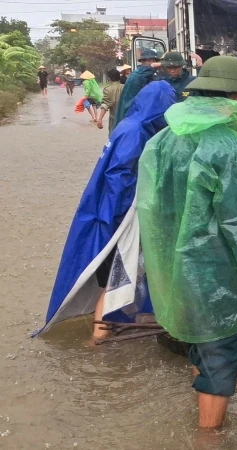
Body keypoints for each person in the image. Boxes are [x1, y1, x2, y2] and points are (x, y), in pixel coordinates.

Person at [137, 56, 237, 428]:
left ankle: (202, 418)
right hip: (217, 274)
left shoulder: (163, 140)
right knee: (221, 356)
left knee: (200, 345)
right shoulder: (230, 147)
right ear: (234, 98)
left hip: (177, 271)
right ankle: (209, 438)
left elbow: (153, 210)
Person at [38, 81, 176, 340]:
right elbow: (120, 177)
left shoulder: (126, 125)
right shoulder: (137, 132)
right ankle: (97, 339)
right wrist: (122, 217)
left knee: (117, 272)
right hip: (115, 216)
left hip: (101, 210)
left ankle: (106, 331)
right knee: (119, 274)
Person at [115, 48, 162, 127]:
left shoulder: (154, 75)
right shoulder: (136, 75)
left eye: (153, 61)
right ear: (142, 62)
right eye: (148, 61)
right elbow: (141, 77)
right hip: (133, 113)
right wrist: (151, 67)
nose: (151, 63)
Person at [96, 68, 124, 134]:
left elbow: (105, 106)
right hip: (126, 119)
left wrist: (100, 119)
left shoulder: (107, 90)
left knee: (114, 137)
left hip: (114, 120)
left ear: (109, 78)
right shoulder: (126, 87)